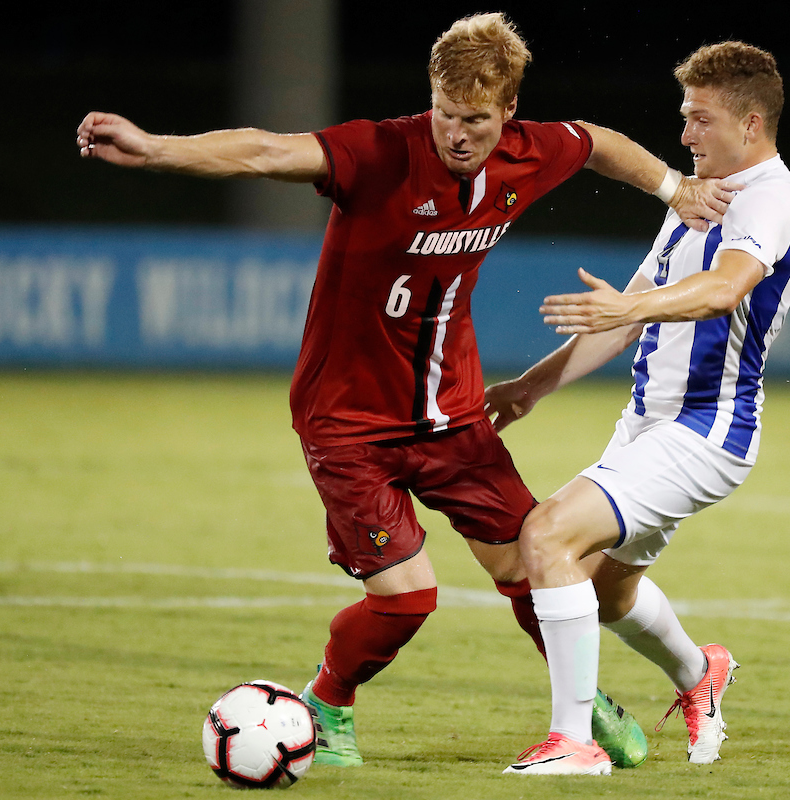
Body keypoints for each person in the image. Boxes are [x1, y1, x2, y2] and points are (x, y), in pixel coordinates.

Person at [76, 13, 736, 769]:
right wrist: (158, 148)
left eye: (477, 122)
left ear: (508, 114)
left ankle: (580, 710)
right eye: (446, 115)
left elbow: (597, 141)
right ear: (431, 98)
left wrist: (673, 187)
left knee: (533, 561)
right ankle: (327, 702)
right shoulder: (379, 151)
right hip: (348, 421)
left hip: (454, 416)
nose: (458, 136)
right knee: (405, 599)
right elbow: (263, 151)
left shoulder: (530, 151)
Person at [486, 40, 790, 775]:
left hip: (706, 429)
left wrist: (631, 305)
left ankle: (573, 742)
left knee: (547, 537)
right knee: (600, 592)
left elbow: (724, 289)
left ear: (751, 124)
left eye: (699, 119)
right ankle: (701, 674)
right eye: (684, 117)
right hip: (647, 425)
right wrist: (529, 389)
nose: (686, 135)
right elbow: (629, 316)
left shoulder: (769, 195)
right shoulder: (703, 194)